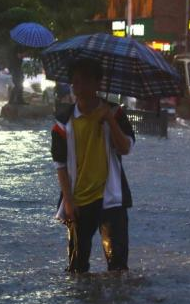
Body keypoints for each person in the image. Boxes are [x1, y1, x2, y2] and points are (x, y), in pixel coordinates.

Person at [51, 58, 135, 273]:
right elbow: (60, 164)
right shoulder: (63, 122)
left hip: (111, 199)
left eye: (86, 81)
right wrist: (68, 201)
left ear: (98, 83)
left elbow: (125, 148)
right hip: (78, 200)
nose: (80, 87)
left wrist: (109, 119)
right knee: (77, 268)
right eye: (76, 82)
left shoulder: (115, 113)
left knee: (118, 268)